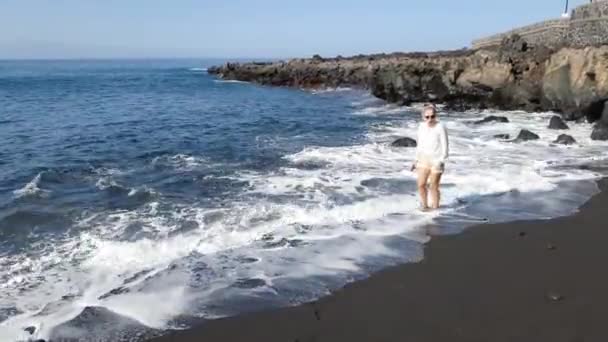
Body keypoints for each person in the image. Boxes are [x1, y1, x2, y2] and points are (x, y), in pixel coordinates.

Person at [411, 104, 449, 210]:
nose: (430, 119)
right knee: (421, 185)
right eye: (427, 117)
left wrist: (441, 160)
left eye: (432, 116)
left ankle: (436, 209)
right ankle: (424, 206)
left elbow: (445, 146)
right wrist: (415, 160)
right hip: (423, 160)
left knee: (433, 186)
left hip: (436, 161)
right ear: (423, 117)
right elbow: (419, 145)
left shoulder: (440, 126)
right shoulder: (421, 126)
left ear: (435, 116)